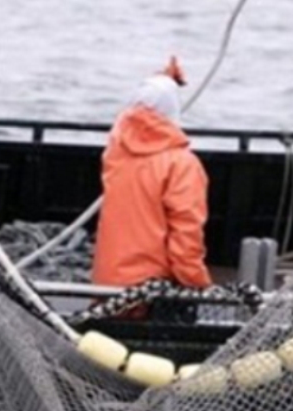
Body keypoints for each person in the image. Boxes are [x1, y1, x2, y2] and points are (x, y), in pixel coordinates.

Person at [91, 56, 213, 291]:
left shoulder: (116, 154)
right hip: (154, 291)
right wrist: (199, 285)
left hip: (107, 285)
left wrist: (163, 81)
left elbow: (134, 115)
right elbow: (185, 237)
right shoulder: (182, 165)